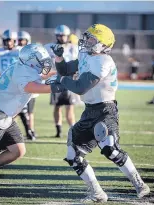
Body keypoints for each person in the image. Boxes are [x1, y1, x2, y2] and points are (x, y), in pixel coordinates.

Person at [50, 24, 150, 203]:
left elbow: (80, 87)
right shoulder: (85, 55)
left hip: (105, 110)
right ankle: (96, 192)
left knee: (110, 149)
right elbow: (66, 70)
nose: (86, 42)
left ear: (103, 45)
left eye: (92, 39)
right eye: (87, 37)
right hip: (89, 110)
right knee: (73, 155)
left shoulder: (104, 61)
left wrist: (62, 80)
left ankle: (139, 184)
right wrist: (59, 58)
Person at [0, 44, 64, 190]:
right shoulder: (22, 73)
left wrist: (61, 74)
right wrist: (63, 85)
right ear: (31, 60)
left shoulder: (24, 67)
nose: (44, 63)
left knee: (18, 150)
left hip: (5, 115)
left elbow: (42, 76)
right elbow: (33, 87)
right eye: (41, 60)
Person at [45, 25, 78, 138]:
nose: (61, 37)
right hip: (56, 79)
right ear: (56, 35)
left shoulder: (73, 47)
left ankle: (73, 130)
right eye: (59, 35)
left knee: (70, 106)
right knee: (57, 106)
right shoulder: (50, 47)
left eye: (63, 35)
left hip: (69, 79)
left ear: (67, 35)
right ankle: (58, 130)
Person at [17, 31, 38, 140]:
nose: (20, 42)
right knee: (17, 111)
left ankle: (31, 130)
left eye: (22, 40)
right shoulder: (16, 51)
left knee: (29, 111)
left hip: (30, 85)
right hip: (19, 86)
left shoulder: (31, 52)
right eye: (19, 39)